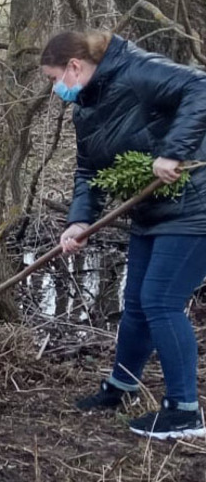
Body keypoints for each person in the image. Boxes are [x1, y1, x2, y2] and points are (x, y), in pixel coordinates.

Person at [41, 30, 206, 440]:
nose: (55, 88)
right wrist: (79, 221)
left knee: (161, 301)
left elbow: (200, 86)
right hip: (150, 210)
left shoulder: (136, 70)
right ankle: (122, 384)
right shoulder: (85, 107)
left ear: (74, 66)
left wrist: (175, 150)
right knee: (135, 303)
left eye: (54, 78)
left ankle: (185, 412)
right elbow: (87, 171)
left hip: (194, 205)